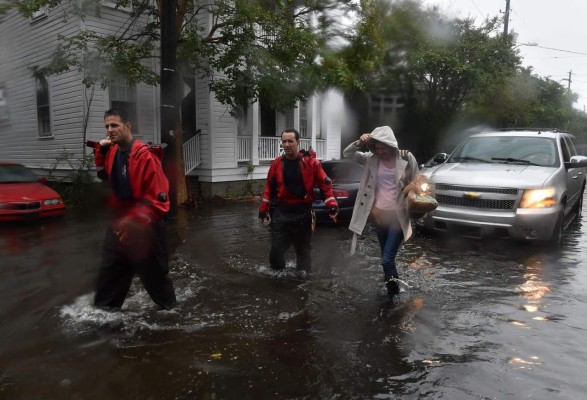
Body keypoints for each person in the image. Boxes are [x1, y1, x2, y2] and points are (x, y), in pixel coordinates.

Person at [90, 108, 176, 310]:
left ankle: (172, 315)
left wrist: (133, 221)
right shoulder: (111, 153)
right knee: (109, 275)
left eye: (114, 125)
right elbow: (104, 178)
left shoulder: (145, 157)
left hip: (144, 227)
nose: (109, 130)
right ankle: (103, 321)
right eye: (107, 127)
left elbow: (159, 200)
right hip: (119, 224)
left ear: (128, 126)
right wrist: (100, 152)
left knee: (156, 280)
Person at [343, 126, 419, 298]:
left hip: (398, 217)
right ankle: (390, 290)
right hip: (379, 216)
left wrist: (413, 192)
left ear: (391, 145)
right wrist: (359, 142)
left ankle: (394, 295)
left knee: (387, 259)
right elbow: (347, 154)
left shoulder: (406, 157)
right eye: (377, 147)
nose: (381, 151)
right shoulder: (371, 159)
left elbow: (417, 179)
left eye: (384, 147)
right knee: (385, 259)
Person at [258, 128, 339, 273]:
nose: (287, 144)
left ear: (298, 142)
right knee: (275, 252)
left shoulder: (311, 163)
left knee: (303, 253)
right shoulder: (277, 163)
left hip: (303, 214)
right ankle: (278, 278)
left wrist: (332, 204)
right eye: (284, 141)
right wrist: (263, 209)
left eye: (290, 141)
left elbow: (325, 185)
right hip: (282, 214)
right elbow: (269, 188)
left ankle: (302, 282)